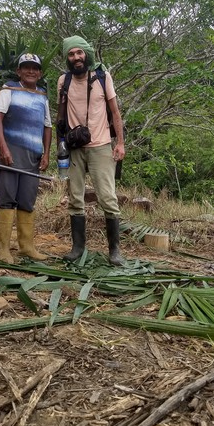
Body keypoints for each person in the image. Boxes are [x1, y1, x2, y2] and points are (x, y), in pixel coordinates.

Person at [57, 35, 126, 265]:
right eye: (71, 54)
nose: (76, 57)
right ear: (67, 58)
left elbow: (115, 112)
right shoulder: (63, 81)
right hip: (74, 147)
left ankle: (114, 251)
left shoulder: (102, 77)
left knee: (107, 197)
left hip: (101, 145)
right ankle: (77, 248)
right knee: (75, 198)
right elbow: (60, 116)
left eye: (79, 52)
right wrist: (59, 146)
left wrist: (120, 143)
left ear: (86, 54)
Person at [0, 53, 52, 262]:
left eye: (35, 68)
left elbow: (47, 126)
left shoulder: (42, 96)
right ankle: (3, 249)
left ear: (40, 73)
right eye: (26, 67)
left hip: (32, 156)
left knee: (27, 200)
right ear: (18, 71)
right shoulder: (8, 89)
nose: (30, 71)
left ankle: (26, 246)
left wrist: (46, 153)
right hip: (9, 154)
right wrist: (4, 148)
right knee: (7, 199)